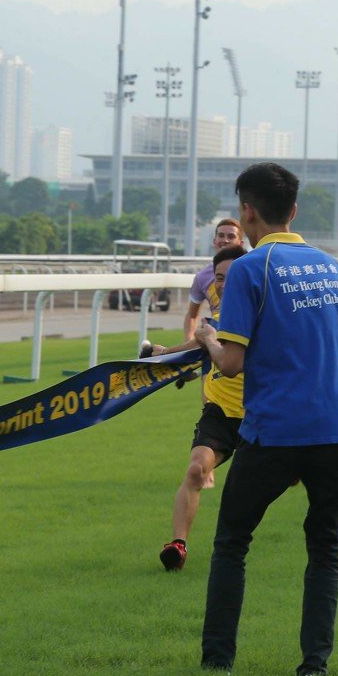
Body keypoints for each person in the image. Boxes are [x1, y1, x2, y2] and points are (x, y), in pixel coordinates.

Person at [194, 162, 338, 676]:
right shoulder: (331, 266)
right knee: (326, 548)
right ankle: (314, 666)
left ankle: (218, 659)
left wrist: (205, 338)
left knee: (232, 540)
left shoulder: (248, 269)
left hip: (276, 429)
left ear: (247, 212)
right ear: (294, 210)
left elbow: (232, 362)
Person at [143, 245, 247, 571]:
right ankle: (178, 545)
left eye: (233, 277)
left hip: (260, 415)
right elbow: (187, 349)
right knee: (195, 470)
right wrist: (158, 356)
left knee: (258, 488)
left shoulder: (265, 317)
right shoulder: (214, 322)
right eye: (219, 278)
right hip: (219, 413)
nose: (225, 284)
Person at [182, 218, 246, 342]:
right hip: (218, 336)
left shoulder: (250, 270)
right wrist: (188, 340)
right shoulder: (202, 277)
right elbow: (192, 315)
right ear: (214, 241)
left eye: (231, 236)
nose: (225, 240)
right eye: (221, 235)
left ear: (241, 243)